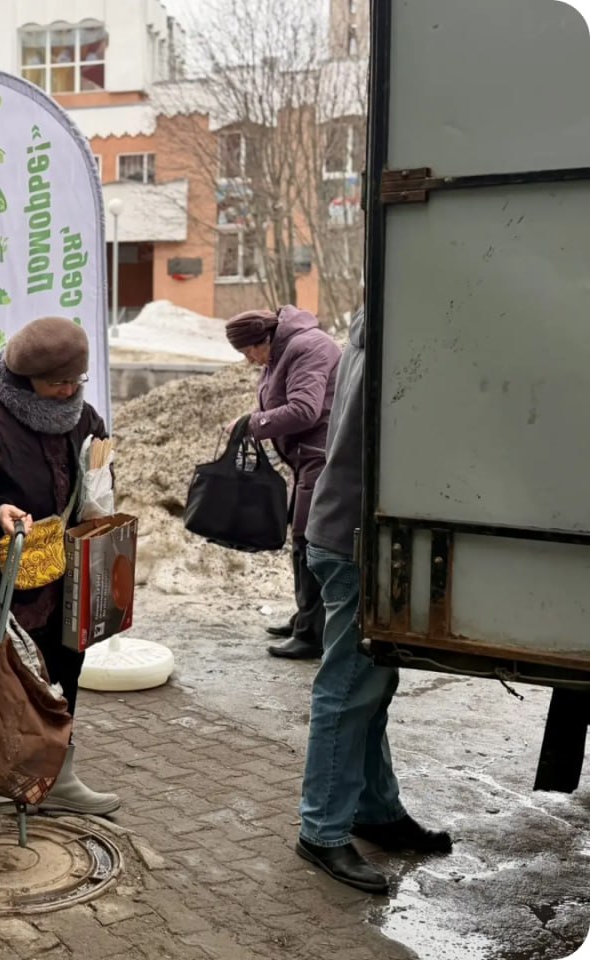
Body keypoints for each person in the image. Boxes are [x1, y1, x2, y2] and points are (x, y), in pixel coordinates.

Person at [0, 316, 119, 815]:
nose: (67, 393)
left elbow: (97, 469)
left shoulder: (81, 414)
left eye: (75, 381)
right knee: (6, 684)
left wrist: (100, 498)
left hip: (61, 579)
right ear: (25, 379)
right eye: (56, 383)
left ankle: (59, 775)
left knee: (64, 675)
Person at [296, 307, 452, 891]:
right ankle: (322, 832)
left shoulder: (377, 322)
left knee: (371, 685)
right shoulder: (397, 338)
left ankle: (375, 811)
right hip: (356, 541)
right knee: (347, 689)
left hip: (355, 534)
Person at [226, 307, 341, 661]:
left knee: (309, 540)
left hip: (323, 454)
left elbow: (305, 409)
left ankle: (312, 634)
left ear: (265, 339)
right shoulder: (283, 351)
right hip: (308, 455)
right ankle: (306, 618)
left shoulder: (307, 347)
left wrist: (253, 423)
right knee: (302, 536)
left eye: (249, 353)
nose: (250, 361)